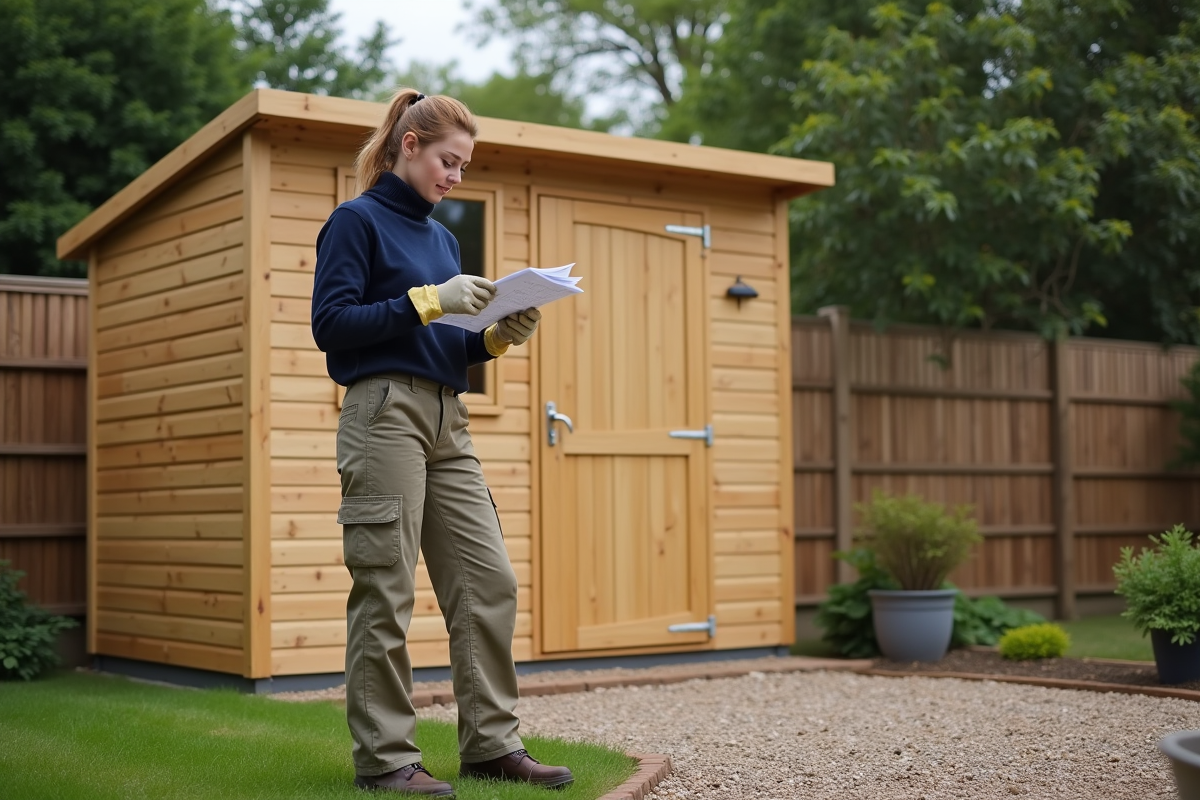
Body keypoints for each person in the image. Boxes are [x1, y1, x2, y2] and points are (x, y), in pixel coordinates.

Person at [311, 88, 570, 797]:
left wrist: (494, 339)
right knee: (385, 589)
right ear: (409, 145)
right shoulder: (354, 222)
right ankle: (386, 760)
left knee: (489, 581)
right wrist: (431, 299)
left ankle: (491, 745)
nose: (455, 177)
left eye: (464, 167)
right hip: (382, 413)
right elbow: (332, 327)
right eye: (448, 162)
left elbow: (443, 345)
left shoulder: (444, 239)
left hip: (446, 417)